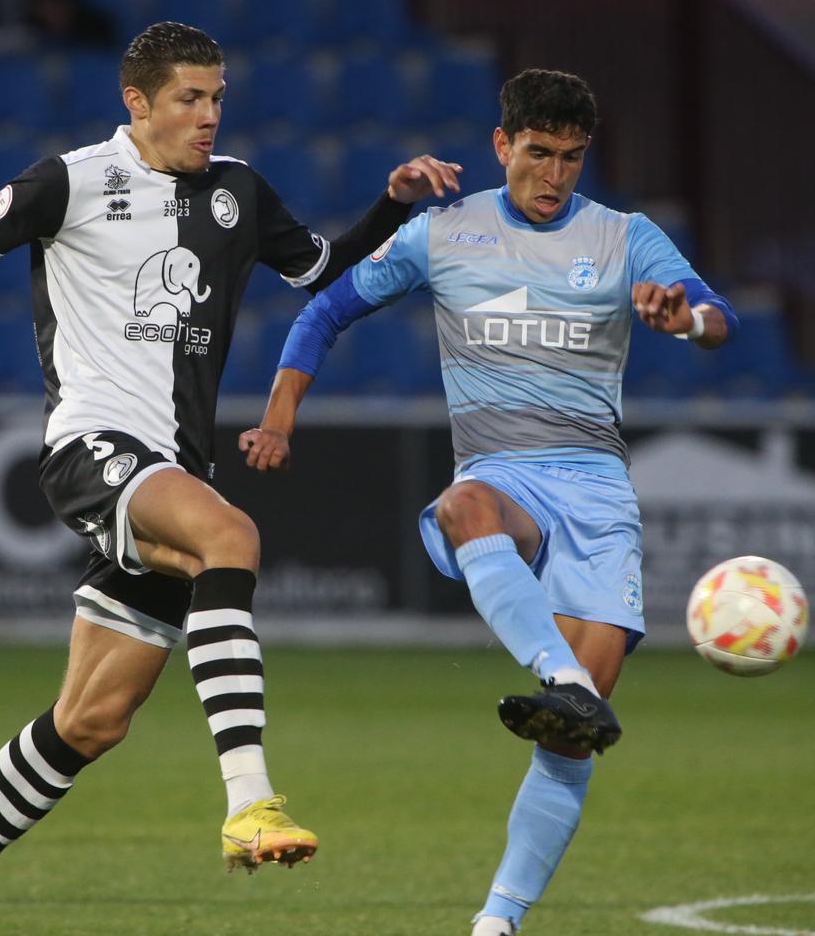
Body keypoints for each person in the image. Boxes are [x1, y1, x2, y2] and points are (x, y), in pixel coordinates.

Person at [0, 20, 459, 934]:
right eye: (189, 98)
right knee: (231, 536)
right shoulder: (70, 181)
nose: (209, 116)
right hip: (93, 448)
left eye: (218, 97)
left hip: (173, 467)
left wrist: (392, 203)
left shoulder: (238, 193)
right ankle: (250, 802)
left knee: (91, 719)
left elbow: (320, 272)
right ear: (136, 102)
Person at [240, 69, 738, 936]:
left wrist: (683, 319)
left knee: (572, 739)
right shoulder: (444, 233)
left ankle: (496, 922)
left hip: (597, 492)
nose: (554, 176)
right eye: (538, 154)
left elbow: (718, 316)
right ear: (502, 146)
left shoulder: (625, 237)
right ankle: (558, 675)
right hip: (503, 474)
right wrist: (279, 417)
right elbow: (323, 312)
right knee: (465, 504)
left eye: (572, 159)